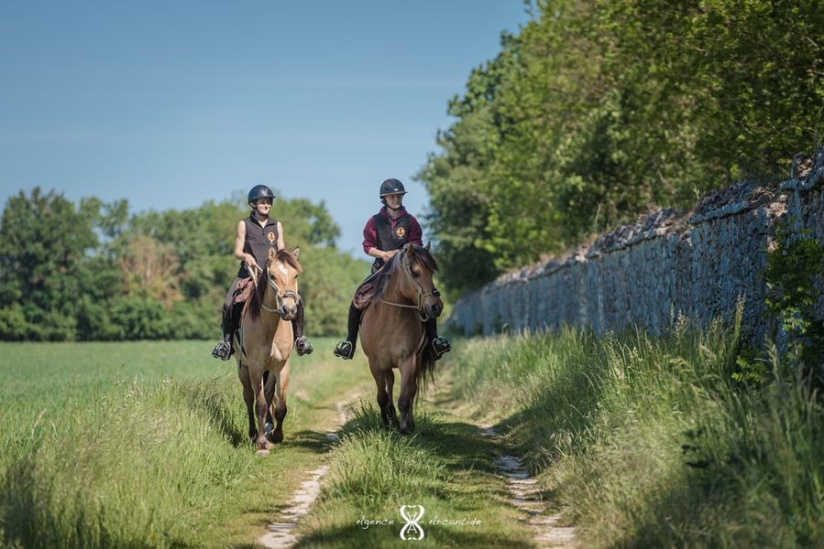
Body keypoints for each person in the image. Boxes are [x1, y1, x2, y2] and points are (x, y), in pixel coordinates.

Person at [333, 178, 451, 360]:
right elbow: (367, 246)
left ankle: (435, 340)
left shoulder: (410, 221)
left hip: (406, 272)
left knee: (428, 295)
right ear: (385, 199)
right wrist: (383, 254)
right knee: (358, 298)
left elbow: (417, 246)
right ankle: (350, 342)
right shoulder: (374, 221)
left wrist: (398, 252)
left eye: (399, 196)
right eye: (392, 196)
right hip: (381, 271)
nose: (396, 199)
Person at [211, 184, 313, 360]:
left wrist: (288, 260)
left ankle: (299, 339)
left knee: (297, 300)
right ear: (253, 204)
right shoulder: (244, 224)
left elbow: (281, 250)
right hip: (248, 275)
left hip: (273, 277)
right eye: (262, 202)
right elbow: (237, 251)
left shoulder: (276, 225)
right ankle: (227, 343)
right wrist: (246, 256)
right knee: (229, 304)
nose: (266, 205)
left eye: (268, 202)